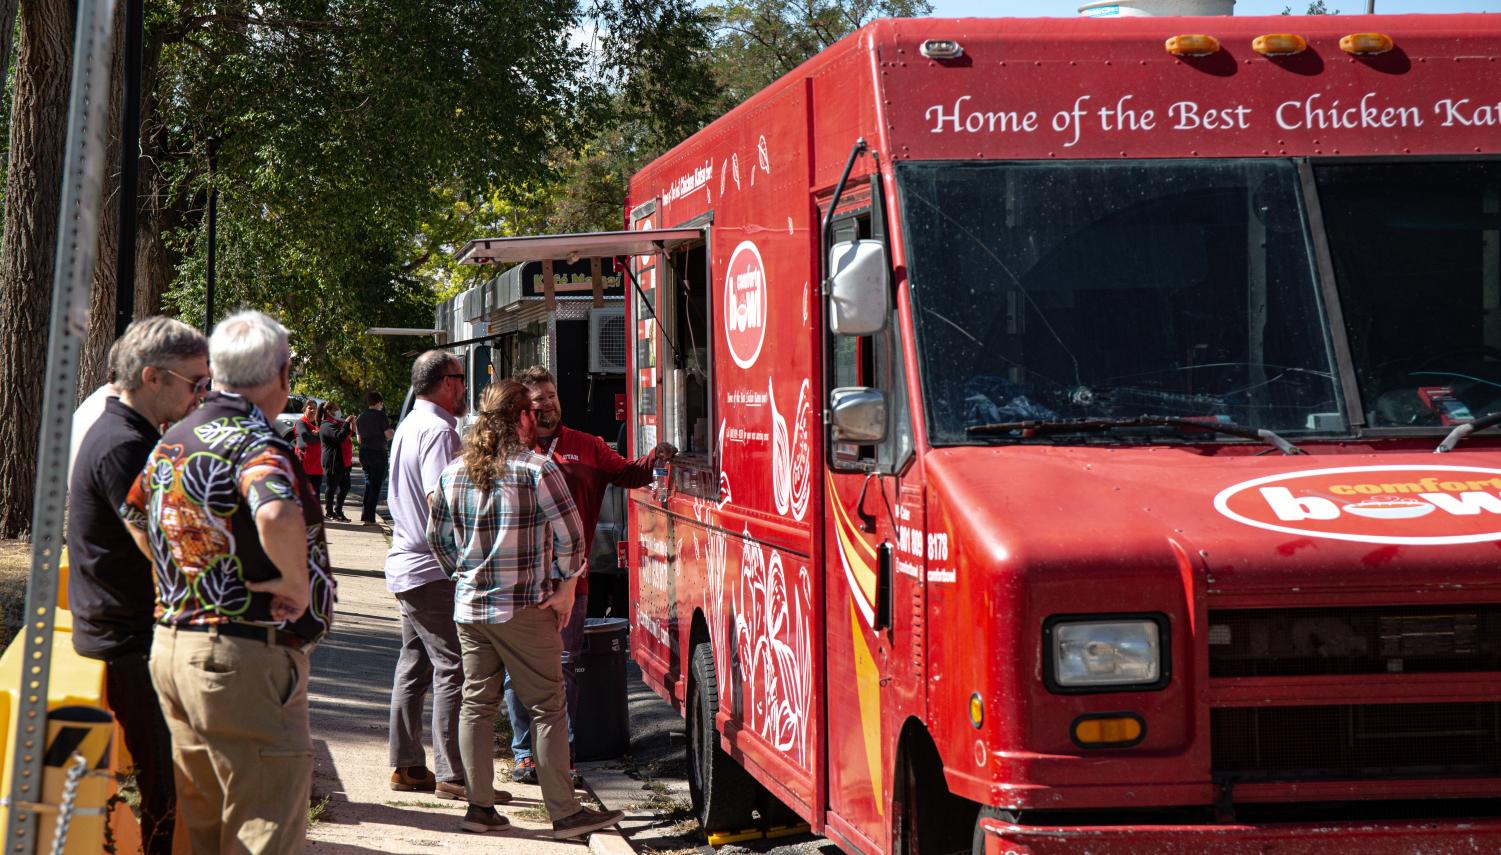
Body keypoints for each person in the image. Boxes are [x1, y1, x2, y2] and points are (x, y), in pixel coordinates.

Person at [120, 310, 336, 853]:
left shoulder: (175, 438)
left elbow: (133, 515)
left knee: (201, 827)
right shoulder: (254, 442)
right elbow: (276, 513)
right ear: (282, 374)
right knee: (262, 824)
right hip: (242, 658)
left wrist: (181, 576)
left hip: (177, 648)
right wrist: (292, 581)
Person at [427, 380, 624, 839]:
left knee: (476, 704)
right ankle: (565, 813)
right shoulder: (536, 469)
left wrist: (463, 573)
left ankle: (480, 807)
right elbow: (573, 538)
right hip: (524, 607)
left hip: (470, 608)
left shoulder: (454, 472)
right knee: (548, 706)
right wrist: (566, 587)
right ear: (522, 418)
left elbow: (436, 537)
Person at [69, 317, 208, 854]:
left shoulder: (130, 433)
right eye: (195, 382)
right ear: (153, 377)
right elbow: (165, 547)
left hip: (127, 624)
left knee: (168, 773)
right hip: (127, 635)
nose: (202, 394)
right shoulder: (123, 443)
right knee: (165, 778)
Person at [503, 366, 676, 785]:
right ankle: (525, 753)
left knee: (563, 667)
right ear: (523, 408)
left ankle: (563, 756)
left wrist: (656, 459)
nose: (547, 404)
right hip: (517, 580)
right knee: (516, 671)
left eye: (551, 395)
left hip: (570, 583)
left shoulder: (588, 446)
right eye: (538, 399)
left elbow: (629, 473)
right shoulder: (508, 451)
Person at [384, 349, 495, 802]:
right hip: (431, 570)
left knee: (416, 663)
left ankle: (407, 765)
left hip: (408, 565)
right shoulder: (439, 431)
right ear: (447, 382)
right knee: (455, 666)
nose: (465, 388)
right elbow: (442, 500)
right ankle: (453, 773)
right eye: (462, 379)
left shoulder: (411, 424)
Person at [355, 390, 394, 526]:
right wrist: (393, 433)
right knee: (375, 485)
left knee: (369, 483)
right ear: (379, 403)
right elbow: (388, 434)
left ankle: (366, 514)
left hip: (364, 452)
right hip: (378, 452)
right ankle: (369, 518)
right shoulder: (380, 415)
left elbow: (359, 439)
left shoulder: (360, 417)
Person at [320, 401, 354, 522]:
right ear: (329, 411)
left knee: (346, 486)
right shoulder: (326, 425)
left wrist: (350, 424)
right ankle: (329, 512)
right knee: (332, 487)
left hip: (343, 462)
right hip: (333, 461)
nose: (338, 411)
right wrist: (345, 423)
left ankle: (338, 510)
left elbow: (349, 433)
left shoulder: (336, 423)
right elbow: (339, 437)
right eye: (336, 409)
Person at [294, 398, 324, 495]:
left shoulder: (318, 424)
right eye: (310, 408)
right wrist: (320, 436)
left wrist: (318, 435)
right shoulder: (301, 422)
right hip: (305, 465)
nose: (313, 410)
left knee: (315, 494)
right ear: (304, 409)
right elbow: (306, 438)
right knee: (305, 495)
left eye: (315, 408)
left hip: (317, 466)